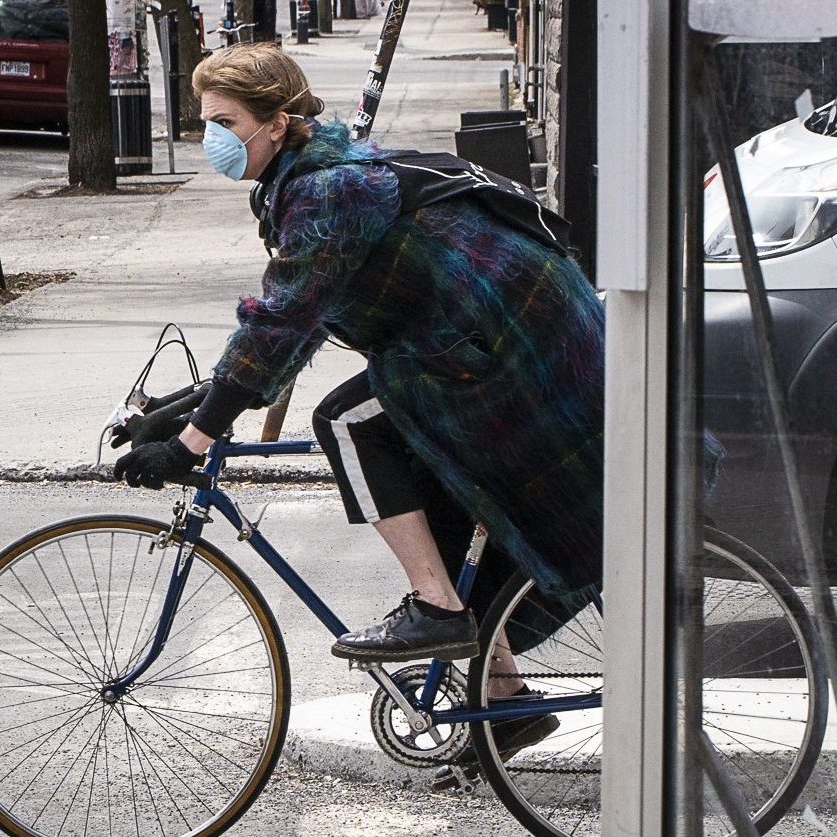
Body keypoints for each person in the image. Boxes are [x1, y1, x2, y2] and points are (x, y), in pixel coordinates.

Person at [113, 44, 603, 686]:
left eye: (225, 124)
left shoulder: (327, 190)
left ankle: (435, 606)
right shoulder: (315, 175)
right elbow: (296, 326)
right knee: (429, 491)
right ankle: (502, 694)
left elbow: (279, 325)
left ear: (277, 124)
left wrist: (191, 443)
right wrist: (180, 414)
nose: (213, 139)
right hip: (482, 342)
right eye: (207, 123)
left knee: (348, 421)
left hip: (517, 349)